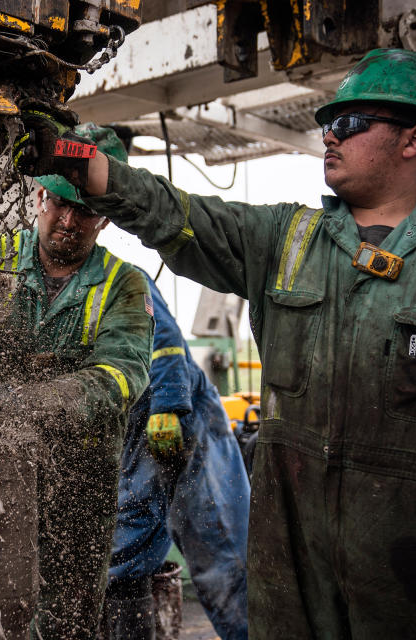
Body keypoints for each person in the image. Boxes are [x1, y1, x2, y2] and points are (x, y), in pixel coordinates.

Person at [15, 48, 416, 638]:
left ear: (414, 138)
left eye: (348, 123)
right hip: (293, 563)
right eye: (326, 123)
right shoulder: (285, 239)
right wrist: (75, 159)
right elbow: (174, 213)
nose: (328, 135)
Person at [0, 124, 154, 639]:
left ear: (106, 217)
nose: (69, 220)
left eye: (86, 210)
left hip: (78, 481)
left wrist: (29, 402)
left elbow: (121, 377)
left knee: (67, 618)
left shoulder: (123, 285)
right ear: (38, 196)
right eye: (58, 204)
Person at [106, 269, 250, 640]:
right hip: (130, 429)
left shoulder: (120, 277)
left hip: (181, 418)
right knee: (123, 554)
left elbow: (165, 338)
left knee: (219, 548)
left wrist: (169, 406)